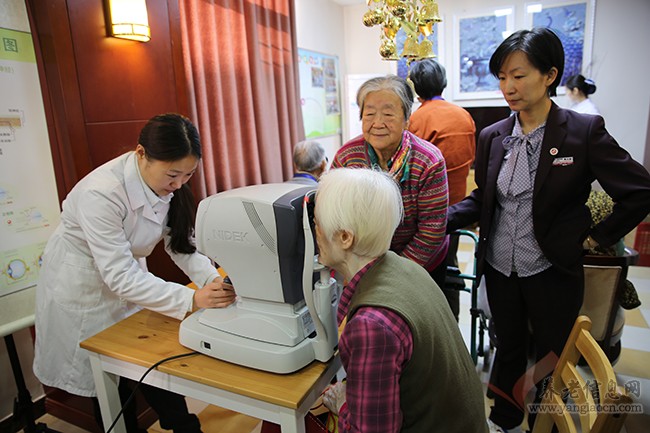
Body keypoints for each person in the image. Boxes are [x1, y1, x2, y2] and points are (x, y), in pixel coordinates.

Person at [447, 28, 650, 433]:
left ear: (550, 75)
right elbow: (483, 200)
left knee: (553, 355)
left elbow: (640, 191)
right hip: (501, 267)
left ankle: (548, 423)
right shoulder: (493, 136)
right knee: (507, 351)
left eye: (518, 76)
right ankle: (504, 420)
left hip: (552, 267)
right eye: (502, 77)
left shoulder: (582, 132)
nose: (508, 87)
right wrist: (436, 217)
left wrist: (596, 238)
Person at [33, 113, 237, 433]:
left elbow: (182, 245)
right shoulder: (101, 193)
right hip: (84, 290)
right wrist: (192, 299)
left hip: (128, 279)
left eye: (188, 174)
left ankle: (186, 428)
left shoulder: (169, 183)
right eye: (173, 175)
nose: (180, 184)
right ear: (142, 154)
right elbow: (119, 276)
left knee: (151, 365)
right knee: (108, 382)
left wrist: (213, 282)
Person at [316, 167, 488, 433]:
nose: (315, 232)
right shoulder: (404, 267)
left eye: (317, 223)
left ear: (345, 237)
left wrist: (344, 405)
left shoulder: (371, 325)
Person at [331, 75, 449, 290]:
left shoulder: (429, 161)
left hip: (420, 264)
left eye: (388, 114)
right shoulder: (347, 157)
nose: (377, 123)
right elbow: (333, 217)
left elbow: (431, 230)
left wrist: (391, 274)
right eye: (369, 114)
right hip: (361, 266)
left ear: (407, 119)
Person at [408, 58, 477, 320]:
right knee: (450, 262)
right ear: (444, 82)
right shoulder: (464, 116)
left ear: (415, 88)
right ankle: (453, 318)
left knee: (427, 268)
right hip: (457, 207)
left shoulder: (416, 119)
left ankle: (431, 324)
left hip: (425, 211)